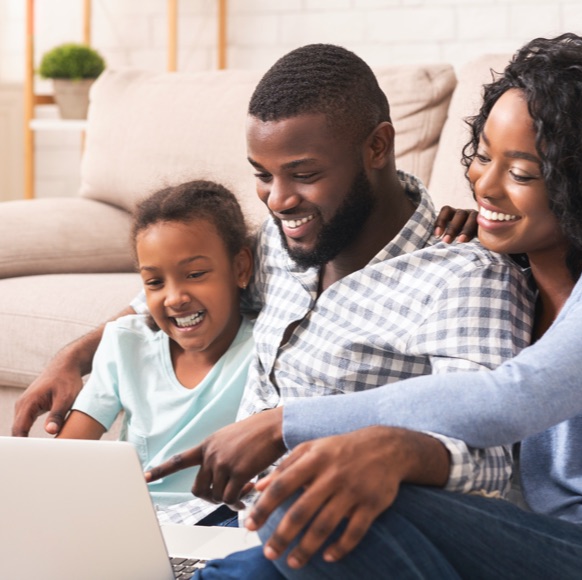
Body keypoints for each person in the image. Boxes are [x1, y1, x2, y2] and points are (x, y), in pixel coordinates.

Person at [194, 34, 582, 579]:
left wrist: (287, 424)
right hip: (514, 537)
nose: (484, 187)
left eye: (520, 173)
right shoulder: (509, 272)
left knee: (351, 497)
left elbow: (510, 399)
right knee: (329, 519)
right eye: (484, 156)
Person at [15, 44, 531, 509]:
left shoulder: (465, 277)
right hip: (207, 518)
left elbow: (488, 465)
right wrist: (74, 357)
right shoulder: (279, 244)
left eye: (304, 175)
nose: (278, 200)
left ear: (378, 148)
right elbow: (178, 293)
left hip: (320, 538)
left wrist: (368, 450)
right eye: (263, 175)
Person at [58, 180, 254, 518]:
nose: (175, 297)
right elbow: (63, 459)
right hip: (135, 518)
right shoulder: (125, 342)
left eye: (195, 274)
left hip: (225, 516)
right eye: (154, 282)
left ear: (240, 268)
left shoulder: (263, 346)